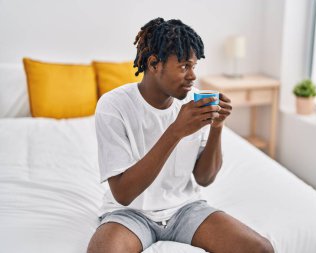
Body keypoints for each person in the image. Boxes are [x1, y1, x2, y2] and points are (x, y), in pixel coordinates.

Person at [87, 18, 274, 253]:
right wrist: (176, 130)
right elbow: (124, 194)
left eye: (194, 66)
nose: (193, 76)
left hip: (185, 209)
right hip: (129, 213)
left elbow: (204, 179)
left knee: (261, 249)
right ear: (154, 64)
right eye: (185, 66)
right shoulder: (114, 106)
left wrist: (217, 128)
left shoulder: (192, 101)